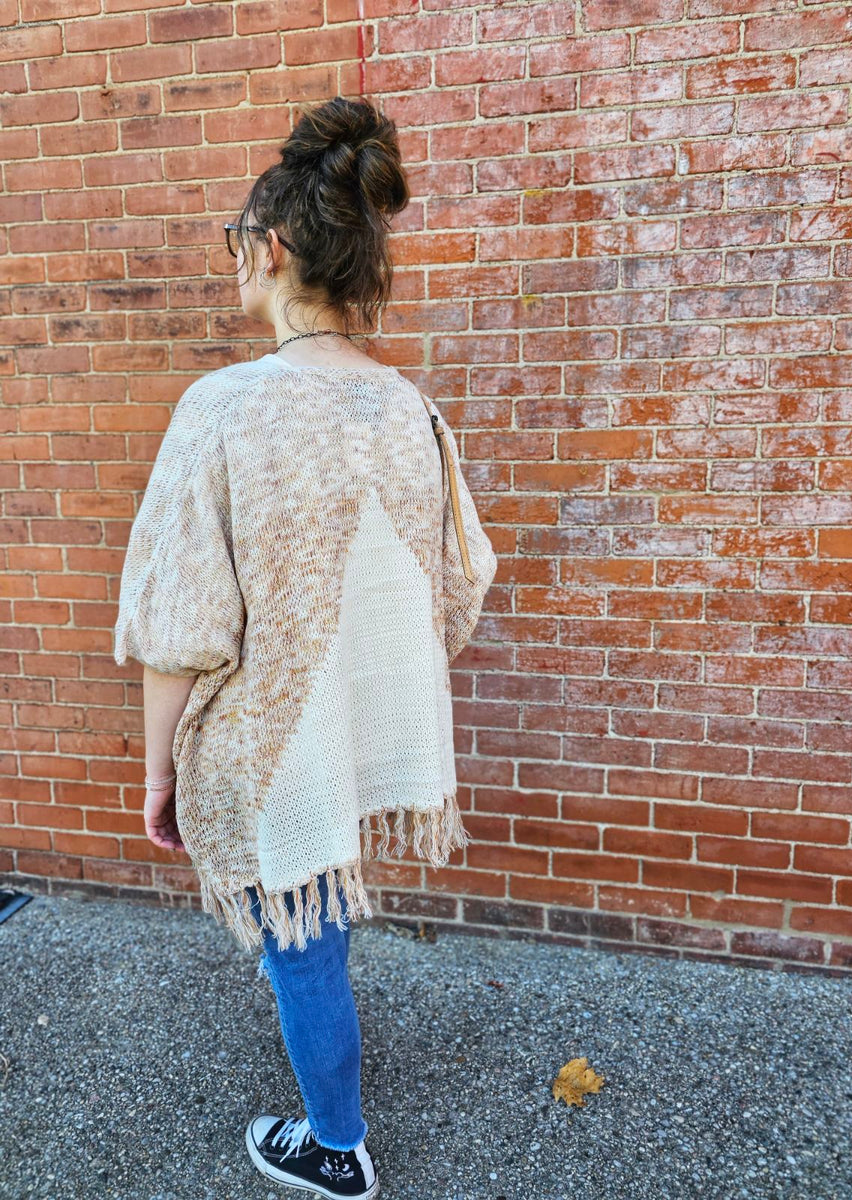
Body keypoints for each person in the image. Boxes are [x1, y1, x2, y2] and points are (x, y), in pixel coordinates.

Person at [113, 96, 498, 1199]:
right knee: (318, 927)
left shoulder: (223, 409)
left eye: (239, 243)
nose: (237, 261)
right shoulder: (409, 406)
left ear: (273, 250)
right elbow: (457, 581)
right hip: (358, 726)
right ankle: (334, 1118)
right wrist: (374, 687)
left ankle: (337, 1148)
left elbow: (180, 627)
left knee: (304, 941)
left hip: (269, 746)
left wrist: (158, 772)